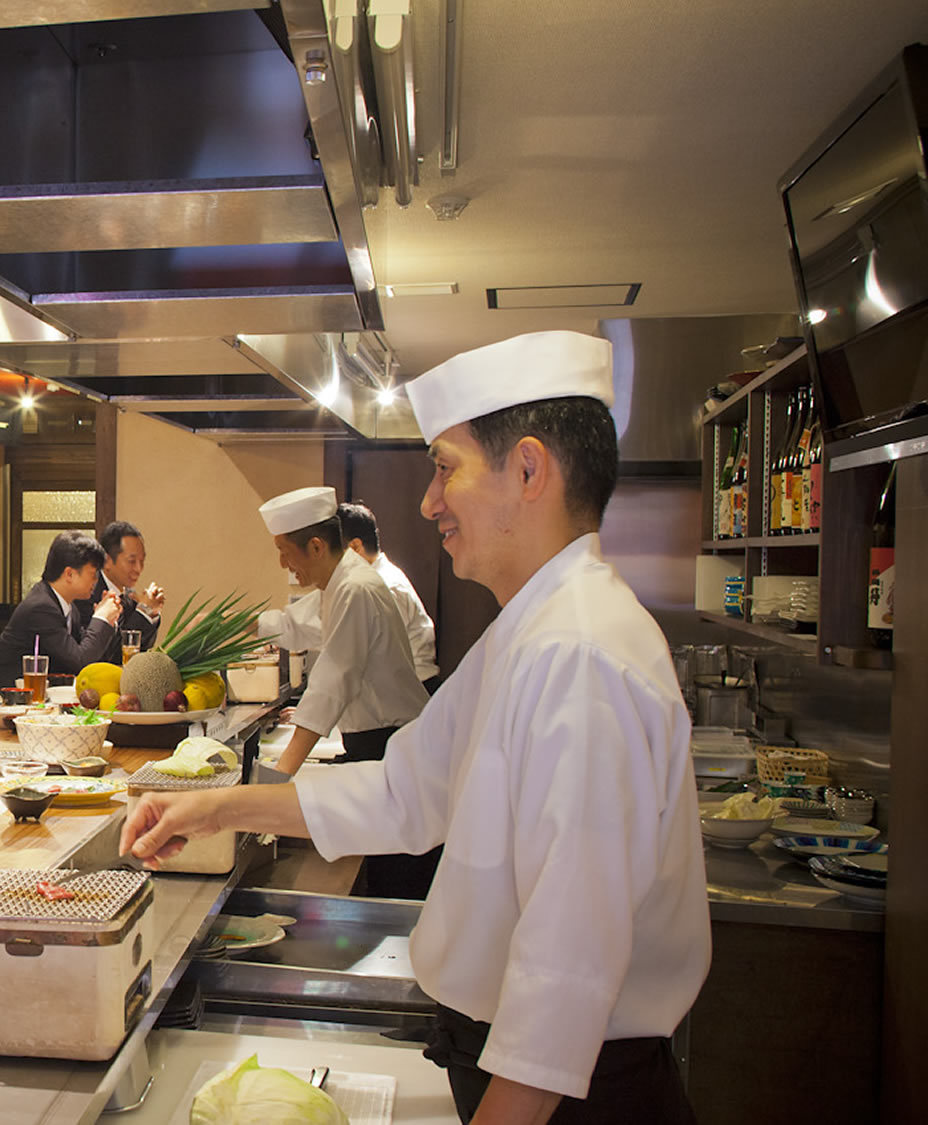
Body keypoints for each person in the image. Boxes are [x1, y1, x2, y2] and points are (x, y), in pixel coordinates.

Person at [123, 331, 709, 1125]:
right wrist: (215, 807)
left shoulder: (580, 652)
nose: (431, 501)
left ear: (529, 469)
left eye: (444, 466)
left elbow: (565, 972)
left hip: (574, 1096)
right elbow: (406, 790)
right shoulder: (529, 630)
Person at [257, 486, 435, 899]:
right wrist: (231, 628)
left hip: (390, 746)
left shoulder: (356, 588)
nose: (283, 563)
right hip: (379, 743)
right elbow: (297, 624)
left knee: (399, 881)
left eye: (285, 551)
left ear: (316, 546)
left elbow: (331, 685)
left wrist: (276, 782)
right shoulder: (340, 582)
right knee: (389, 869)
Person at [264, 502, 441, 693]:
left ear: (354, 547)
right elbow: (295, 625)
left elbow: (344, 664)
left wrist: (311, 719)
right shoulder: (348, 584)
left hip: (409, 697)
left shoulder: (381, 586)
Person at [0, 532, 122, 692]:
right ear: (70, 574)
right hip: (6, 702)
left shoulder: (67, 606)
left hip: (38, 701)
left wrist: (108, 621)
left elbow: (91, 658)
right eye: (93, 574)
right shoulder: (41, 608)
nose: (96, 581)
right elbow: (80, 661)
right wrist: (101, 619)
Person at [337, 501, 440, 690]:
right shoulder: (373, 579)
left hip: (412, 690)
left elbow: (375, 661)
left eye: (334, 552)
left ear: (355, 546)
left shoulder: (385, 586)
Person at [76, 521, 167, 664]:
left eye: (142, 561)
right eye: (131, 561)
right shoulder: (87, 594)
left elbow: (140, 651)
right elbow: (110, 656)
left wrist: (152, 613)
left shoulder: (129, 594)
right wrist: (144, 611)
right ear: (106, 561)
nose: (139, 568)